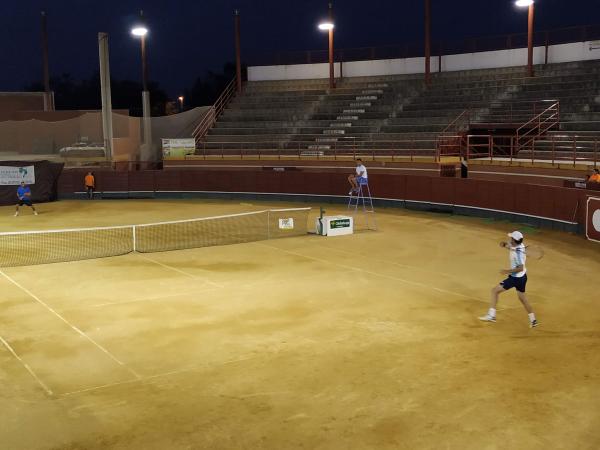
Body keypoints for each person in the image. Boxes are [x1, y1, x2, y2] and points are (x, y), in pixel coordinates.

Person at [479, 231, 538, 328]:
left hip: (515, 278)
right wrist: (504, 245)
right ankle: (533, 320)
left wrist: (507, 271)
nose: (510, 239)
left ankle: (491, 315)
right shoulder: (519, 245)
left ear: (514, 241)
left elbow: (520, 268)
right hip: (523, 277)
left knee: (494, 291)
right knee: (522, 298)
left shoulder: (518, 254)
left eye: (511, 238)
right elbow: (511, 247)